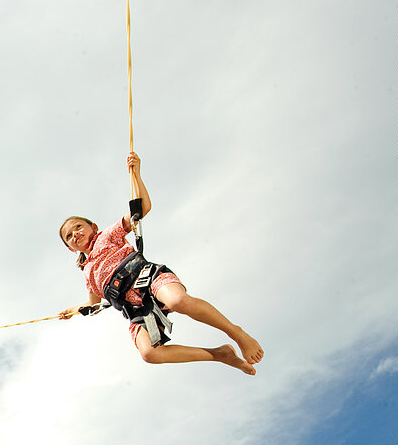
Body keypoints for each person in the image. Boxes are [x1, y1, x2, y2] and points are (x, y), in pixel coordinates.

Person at [58, 152, 263, 375]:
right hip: (136, 306)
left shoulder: (108, 235)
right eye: (69, 236)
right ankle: (219, 354)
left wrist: (136, 174)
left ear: (93, 227)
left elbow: (142, 209)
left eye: (78, 227)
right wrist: (71, 310)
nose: (75, 234)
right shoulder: (88, 273)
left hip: (150, 278)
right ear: (71, 248)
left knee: (177, 300)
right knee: (150, 354)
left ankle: (237, 333)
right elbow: (93, 304)